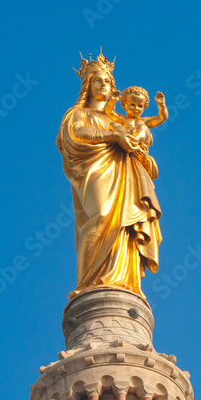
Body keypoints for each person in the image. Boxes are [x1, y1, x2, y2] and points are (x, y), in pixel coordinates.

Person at [57, 54, 162, 299]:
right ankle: (88, 281)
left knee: (126, 224)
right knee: (101, 215)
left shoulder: (116, 120)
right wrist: (114, 138)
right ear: (88, 86)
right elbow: (75, 135)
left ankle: (124, 280)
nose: (104, 85)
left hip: (125, 174)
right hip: (96, 171)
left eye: (107, 81)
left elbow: (137, 144)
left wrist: (134, 144)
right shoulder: (77, 114)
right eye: (98, 81)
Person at [103, 86, 167, 179]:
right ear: (124, 105)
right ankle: (127, 136)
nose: (136, 108)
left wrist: (161, 105)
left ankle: (135, 139)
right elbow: (108, 112)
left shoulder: (144, 121)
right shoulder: (122, 119)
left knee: (143, 128)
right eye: (132, 104)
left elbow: (162, 118)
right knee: (113, 124)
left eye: (140, 106)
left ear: (144, 107)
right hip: (125, 146)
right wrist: (112, 101)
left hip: (140, 150)